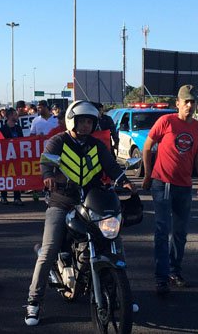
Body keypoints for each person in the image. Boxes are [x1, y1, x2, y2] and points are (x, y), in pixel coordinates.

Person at [25, 100, 135, 326]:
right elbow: (46, 161)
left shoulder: (96, 145)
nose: (85, 126)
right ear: (71, 121)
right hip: (62, 201)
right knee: (48, 250)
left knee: (113, 239)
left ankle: (122, 295)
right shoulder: (58, 141)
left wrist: (123, 181)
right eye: (81, 121)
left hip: (91, 199)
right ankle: (33, 302)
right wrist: (48, 175)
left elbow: (111, 166)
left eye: (89, 122)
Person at [141, 84, 198, 295]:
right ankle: (161, 278)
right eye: (186, 101)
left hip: (184, 186)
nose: (189, 105)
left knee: (180, 233)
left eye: (192, 102)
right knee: (162, 230)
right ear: (177, 103)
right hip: (163, 184)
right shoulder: (166, 121)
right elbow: (148, 146)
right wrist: (148, 174)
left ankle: (174, 271)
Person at [0, 108, 25, 205]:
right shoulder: (2, 129)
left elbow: (22, 141)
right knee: (4, 176)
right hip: (5, 157)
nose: (17, 116)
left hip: (17, 157)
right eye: (15, 115)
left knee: (17, 176)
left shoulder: (18, 128)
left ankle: (17, 198)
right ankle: (3, 197)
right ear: (9, 116)